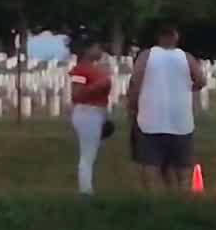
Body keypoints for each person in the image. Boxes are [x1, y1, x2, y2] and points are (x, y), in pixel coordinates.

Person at [126, 23, 207, 191]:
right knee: (183, 168)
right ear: (176, 37)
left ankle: (153, 200)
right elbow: (200, 80)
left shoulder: (147, 56)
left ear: (159, 38)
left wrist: (132, 107)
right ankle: (182, 198)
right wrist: (187, 88)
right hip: (181, 120)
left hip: (151, 118)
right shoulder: (186, 57)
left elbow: (135, 81)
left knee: (150, 165)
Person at [68, 39, 112, 195]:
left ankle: (87, 188)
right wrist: (97, 86)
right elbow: (76, 94)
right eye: (97, 47)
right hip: (87, 112)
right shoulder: (80, 70)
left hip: (97, 112)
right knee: (87, 154)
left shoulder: (96, 68)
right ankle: (85, 191)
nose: (100, 51)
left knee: (91, 153)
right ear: (87, 50)